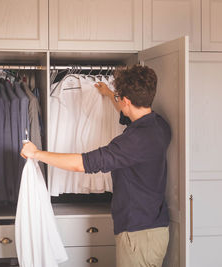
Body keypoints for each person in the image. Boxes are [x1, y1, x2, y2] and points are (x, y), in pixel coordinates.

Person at [20, 65, 171, 267]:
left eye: (119, 97)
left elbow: (83, 164)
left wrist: (36, 153)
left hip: (137, 235)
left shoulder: (132, 142)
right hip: (155, 228)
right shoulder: (158, 125)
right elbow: (126, 112)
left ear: (127, 100)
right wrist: (109, 94)